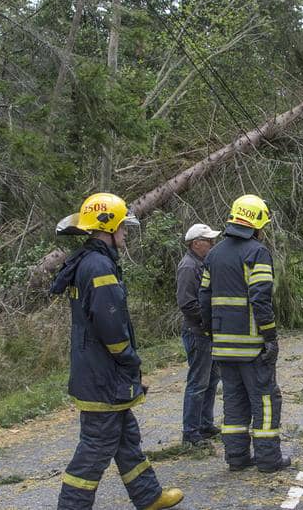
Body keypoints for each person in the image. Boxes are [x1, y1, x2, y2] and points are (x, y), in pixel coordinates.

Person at [50, 193, 183, 510]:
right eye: (122, 227)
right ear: (106, 227)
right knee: (95, 449)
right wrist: (129, 359)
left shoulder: (91, 260)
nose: (125, 233)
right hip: (103, 375)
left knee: (126, 440)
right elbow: (110, 325)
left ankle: (148, 496)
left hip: (98, 372)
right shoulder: (99, 266)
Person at [198, 194, 292, 473]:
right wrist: (270, 337)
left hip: (223, 345)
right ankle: (268, 459)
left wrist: (211, 331)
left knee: (234, 401)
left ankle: (237, 457)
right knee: (264, 399)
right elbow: (260, 299)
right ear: (256, 223)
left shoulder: (213, 254)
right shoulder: (256, 252)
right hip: (252, 345)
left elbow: (204, 298)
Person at [176, 222, 222, 446]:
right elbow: (186, 303)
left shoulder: (203, 263)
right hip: (198, 332)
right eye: (209, 241)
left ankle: (205, 424)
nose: (213, 245)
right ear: (196, 244)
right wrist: (207, 322)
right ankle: (191, 432)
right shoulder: (188, 267)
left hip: (206, 332)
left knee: (212, 379)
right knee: (198, 383)